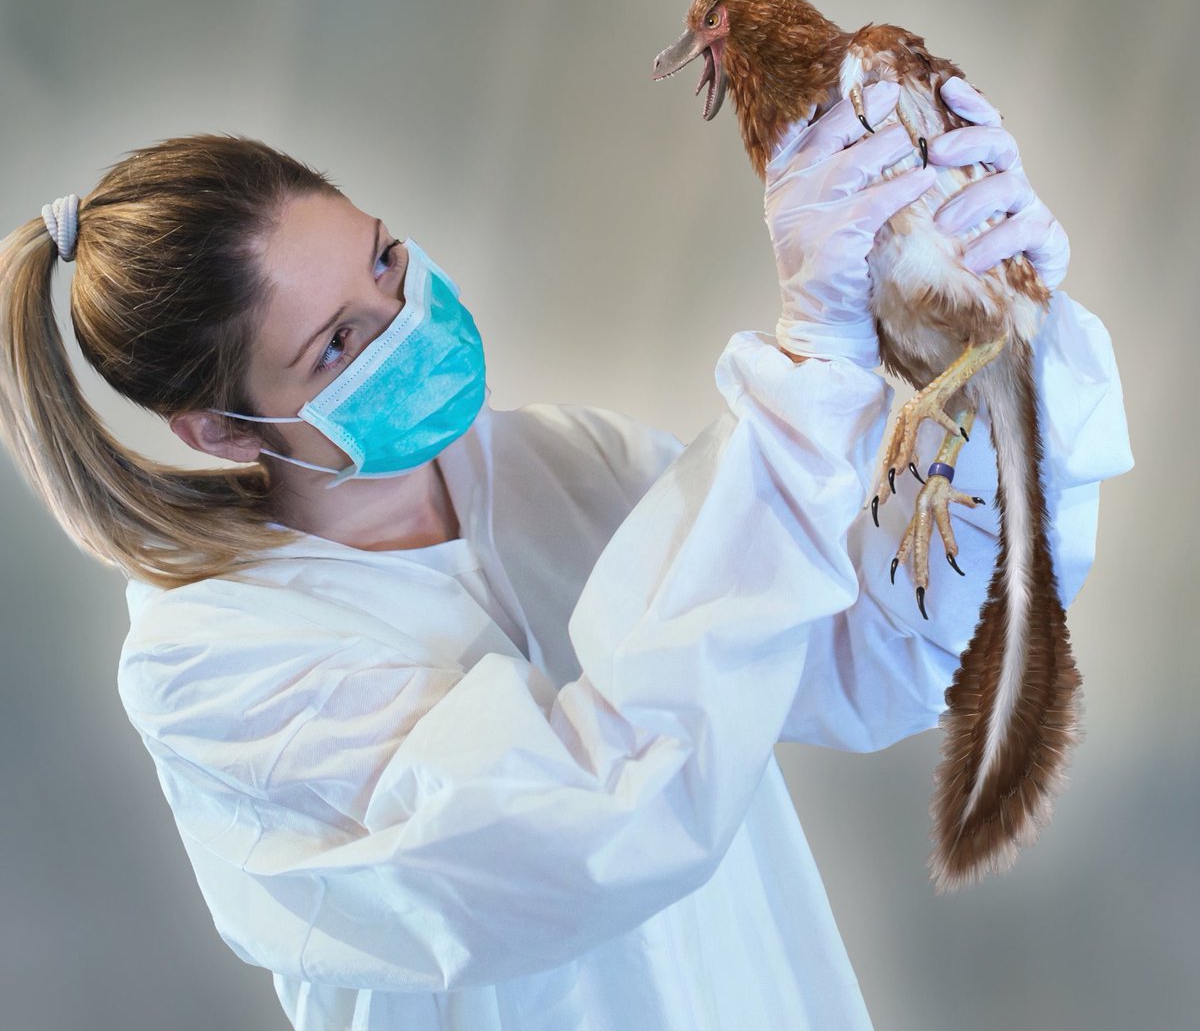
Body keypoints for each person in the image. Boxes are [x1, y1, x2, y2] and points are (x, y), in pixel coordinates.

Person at [0, 78, 1132, 1031]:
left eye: (385, 261)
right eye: (338, 344)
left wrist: (980, 344)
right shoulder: (213, 664)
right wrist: (807, 376)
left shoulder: (564, 463)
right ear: (220, 430)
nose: (406, 320)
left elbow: (872, 656)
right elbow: (588, 827)